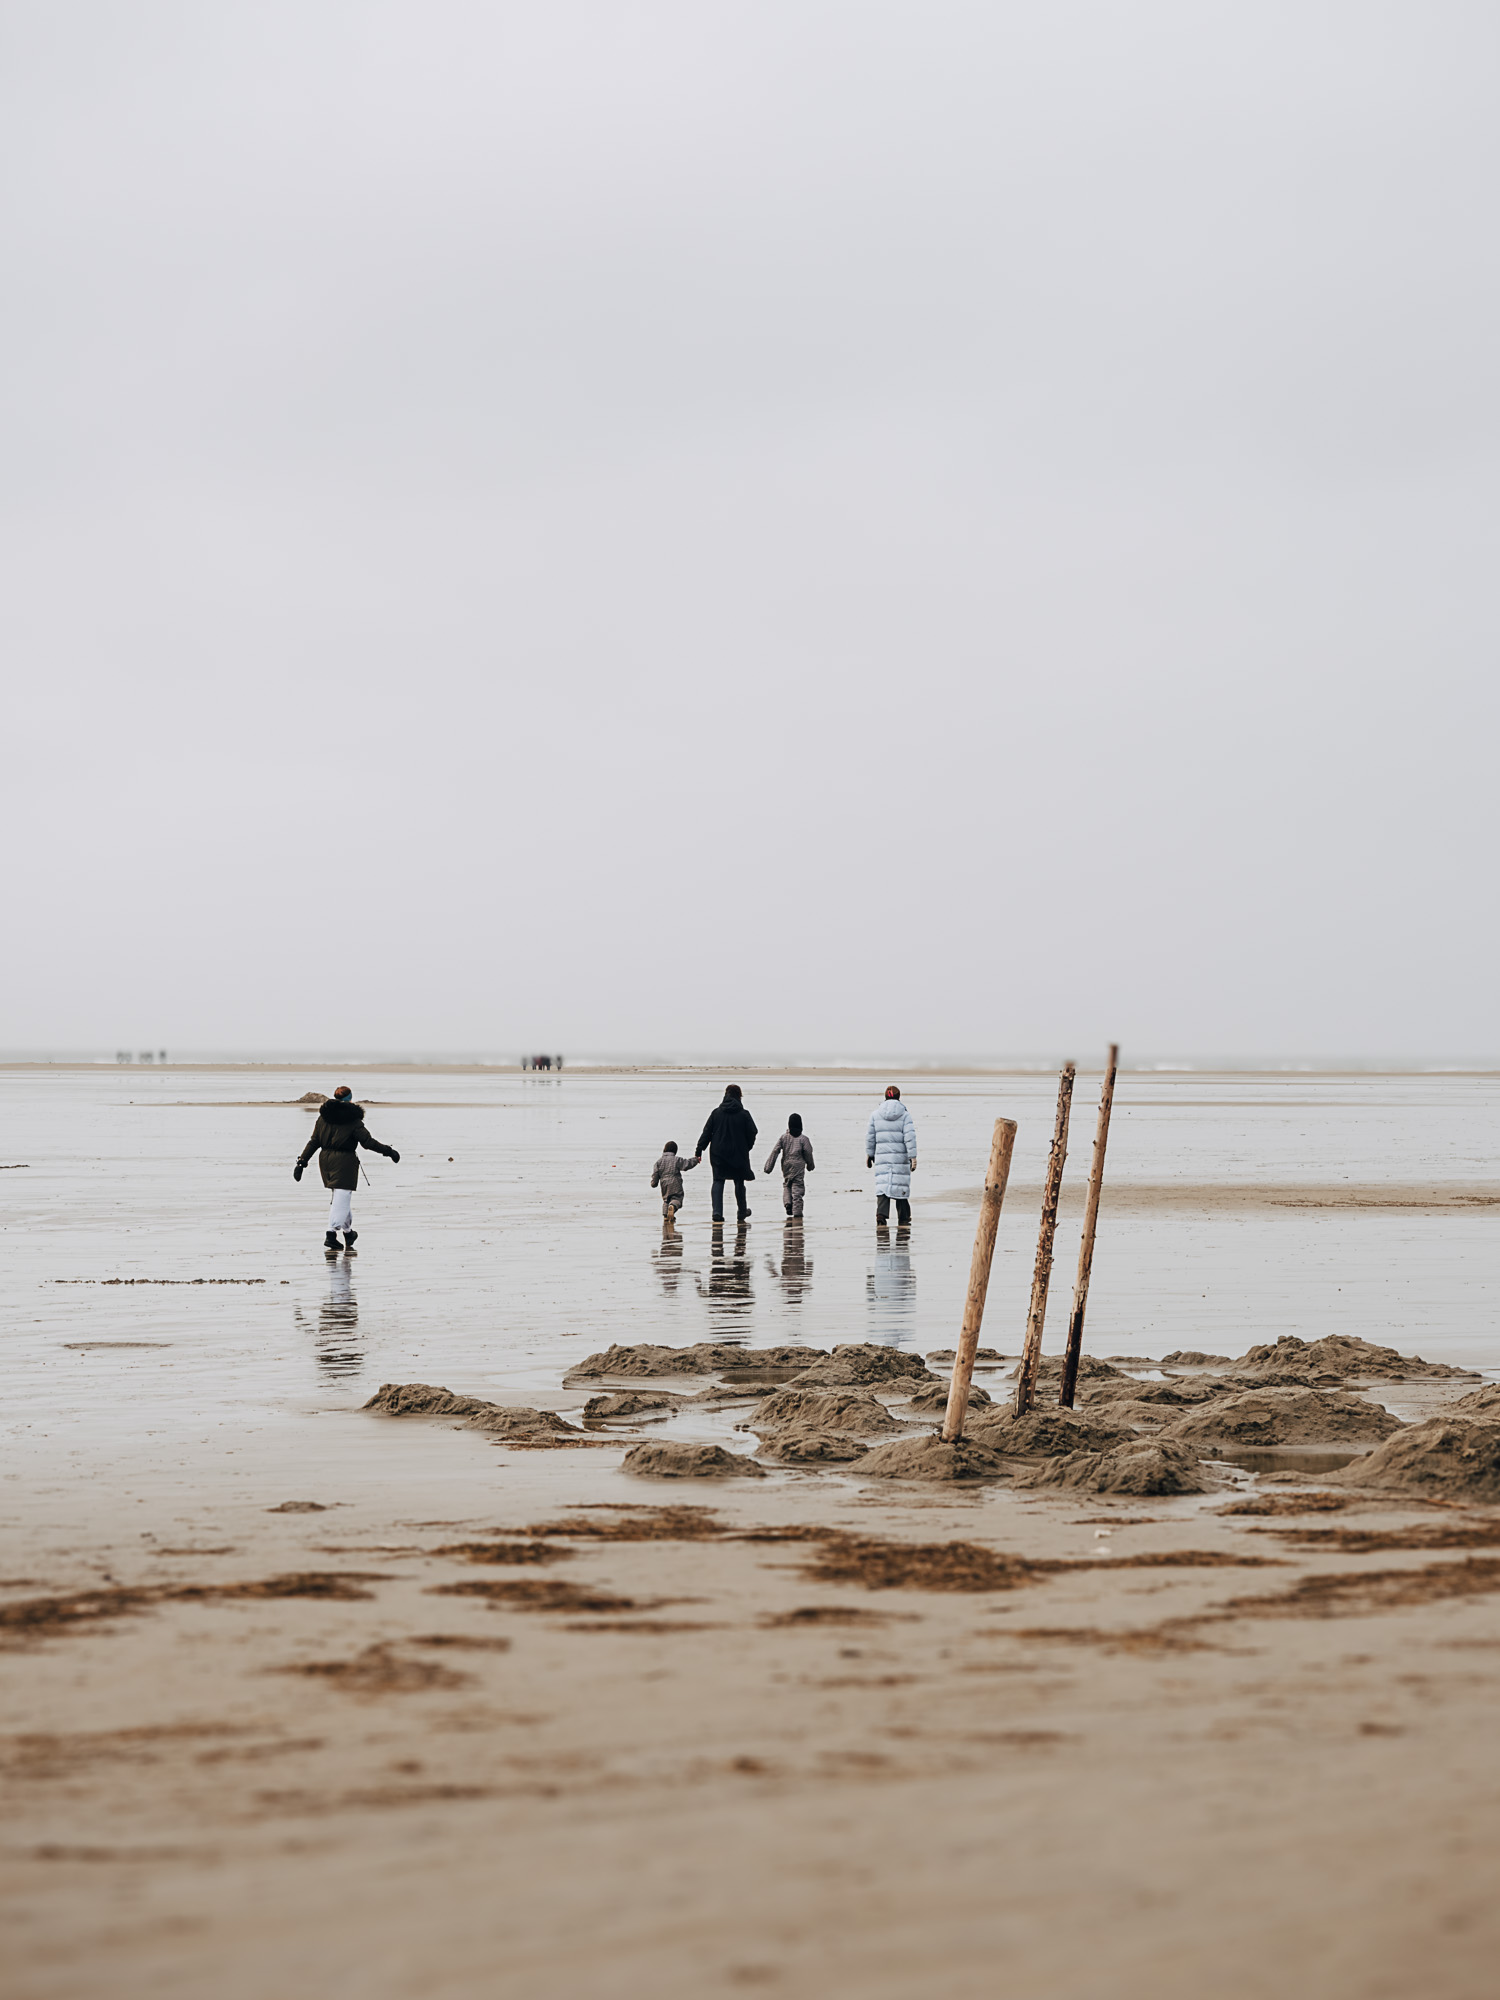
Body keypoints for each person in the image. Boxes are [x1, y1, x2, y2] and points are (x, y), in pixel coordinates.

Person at [294, 1085, 400, 1257]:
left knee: (340, 1198)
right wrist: (389, 1151)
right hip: (344, 1162)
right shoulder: (353, 1120)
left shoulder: (323, 1117)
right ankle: (331, 1234)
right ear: (350, 1099)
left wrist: (301, 1162)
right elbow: (368, 1143)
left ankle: (349, 1233)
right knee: (341, 1199)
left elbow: (314, 1141)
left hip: (325, 1161)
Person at [695, 1083, 757, 1225]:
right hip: (738, 1153)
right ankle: (742, 1211)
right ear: (739, 1096)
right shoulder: (744, 1114)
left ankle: (717, 1213)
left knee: (718, 1180)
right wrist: (747, 1147)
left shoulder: (716, 1113)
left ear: (725, 1095)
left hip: (718, 1153)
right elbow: (753, 1132)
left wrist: (699, 1150)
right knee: (739, 1181)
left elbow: (706, 1133)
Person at [866, 1084, 917, 1226]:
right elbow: (910, 1138)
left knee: (883, 1185)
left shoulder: (875, 1115)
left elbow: (870, 1137)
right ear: (899, 1097)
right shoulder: (905, 1115)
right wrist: (913, 1157)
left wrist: (869, 1154)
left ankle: (881, 1215)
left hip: (882, 1157)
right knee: (900, 1186)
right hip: (900, 1157)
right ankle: (904, 1217)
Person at [763, 1112, 815, 1220]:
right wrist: (810, 1166)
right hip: (798, 1166)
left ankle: (787, 1203)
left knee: (787, 1184)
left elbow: (775, 1151)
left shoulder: (784, 1137)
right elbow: (808, 1152)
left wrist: (768, 1167)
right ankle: (797, 1213)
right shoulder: (804, 1139)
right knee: (798, 1188)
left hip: (786, 1165)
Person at [650, 1140, 700, 1225]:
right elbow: (687, 1164)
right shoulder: (676, 1159)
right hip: (675, 1182)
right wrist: (696, 1160)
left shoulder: (658, 1162)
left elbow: (655, 1174)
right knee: (677, 1198)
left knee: (666, 1200)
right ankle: (672, 1206)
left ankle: (666, 1216)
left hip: (664, 1184)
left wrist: (654, 1183)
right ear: (675, 1151)